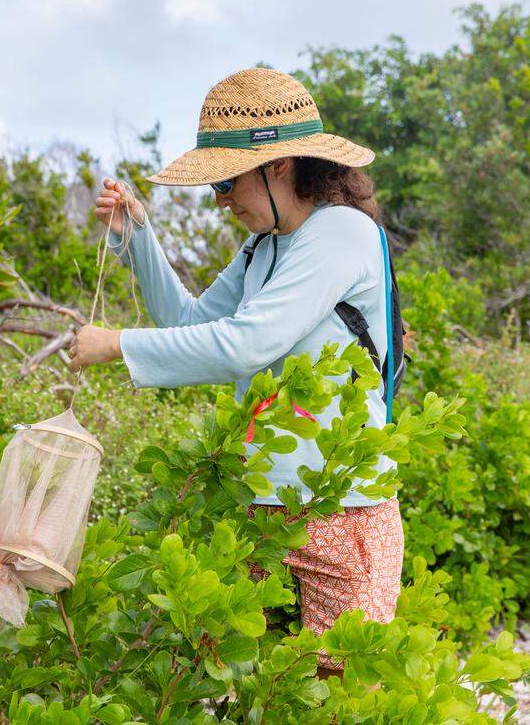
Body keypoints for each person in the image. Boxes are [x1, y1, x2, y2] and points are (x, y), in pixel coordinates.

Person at [69, 67, 402, 677]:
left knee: (341, 693)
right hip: (259, 503)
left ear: (277, 167)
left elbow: (247, 344)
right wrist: (136, 236)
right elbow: (189, 321)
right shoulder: (265, 245)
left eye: (226, 181)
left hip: (343, 507)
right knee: (239, 687)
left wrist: (116, 343)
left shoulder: (342, 234)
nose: (221, 201)